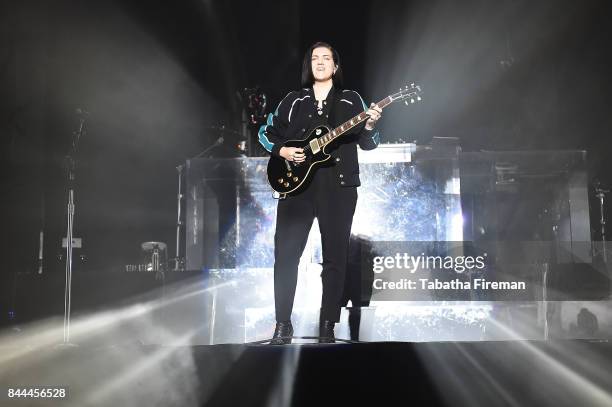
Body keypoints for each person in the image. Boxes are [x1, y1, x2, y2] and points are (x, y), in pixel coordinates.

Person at [258, 41, 383, 344]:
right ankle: (282, 325)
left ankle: (328, 324)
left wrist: (369, 127)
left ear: (336, 66)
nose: (320, 62)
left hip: (338, 187)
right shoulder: (293, 100)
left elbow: (370, 143)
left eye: (326, 58)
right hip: (296, 187)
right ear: (309, 65)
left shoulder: (353, 100)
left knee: (335, 257)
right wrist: (283, 150)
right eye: (315, 58)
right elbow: (265, 132)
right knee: (285, 256)